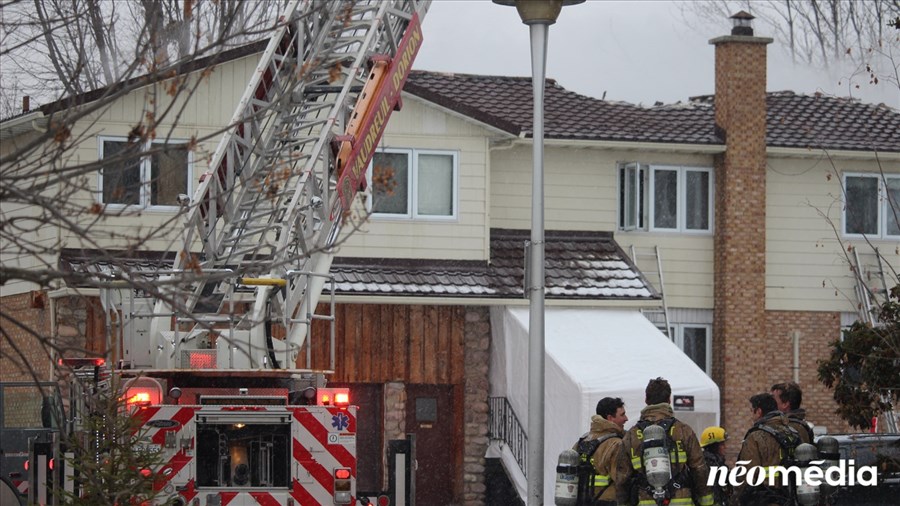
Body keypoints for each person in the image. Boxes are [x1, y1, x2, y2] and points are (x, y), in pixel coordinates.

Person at [615, 377, 713, 506]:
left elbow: (622, 478)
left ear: (646, 400)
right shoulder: (683, 431)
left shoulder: (631, 435)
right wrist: (707, 501)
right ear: (669, 400)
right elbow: (699, 469)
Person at [734, 393, 800, 506]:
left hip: (767, 500)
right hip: (794, 499)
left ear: (758, 411)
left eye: (751, 411)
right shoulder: (793, 433)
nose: (751, 416)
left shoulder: (756, 437)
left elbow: (747, 476)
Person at [574, 396, 628, 505]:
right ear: (610, 418)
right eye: (622, 415)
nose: (626, 418)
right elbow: (622, 480)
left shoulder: (582, 441)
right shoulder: (616, 445)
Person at [700, 426, 731, 506]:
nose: (725, 447)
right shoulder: (710, 465)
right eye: (722, 444)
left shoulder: (717, 463)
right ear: (714, 446)